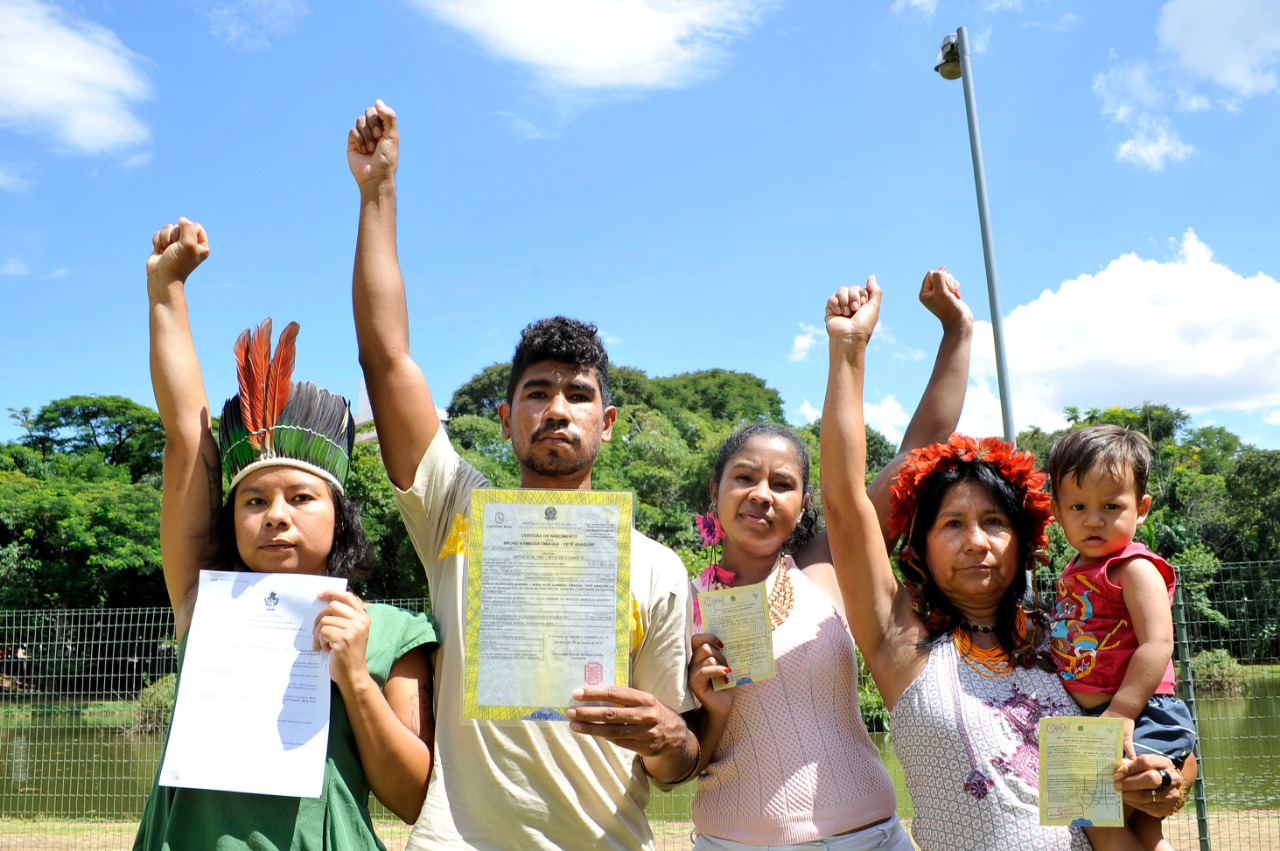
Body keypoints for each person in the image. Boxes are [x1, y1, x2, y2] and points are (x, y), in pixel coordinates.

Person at [347, 100, 697, 850]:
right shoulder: (457, 509)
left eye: (579, 395)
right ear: (506, 418)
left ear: (608, 421)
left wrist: (670, 735)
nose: (557, 409)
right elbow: (386, 359)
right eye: (537, 393)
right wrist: (378, 193)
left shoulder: (659, 567)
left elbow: (673, 766)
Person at [818, 277, 1193, 851]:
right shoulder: (901, 640)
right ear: (920, 543)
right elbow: (846, 504)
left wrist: (1165, 783)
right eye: (952, 524)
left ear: (1024, 539)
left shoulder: (1062, 638)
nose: (976, 542)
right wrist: (848, 349)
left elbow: (1161, 729)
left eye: (994, 522)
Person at [135, 218, 438, 851]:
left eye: (302, 498)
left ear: (340, 515)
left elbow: (413, 798)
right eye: (254, 500)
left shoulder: (391, 632)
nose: (276, 515)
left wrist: (355, 676)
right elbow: (187, 439)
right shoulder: (204, 606)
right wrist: (167, 292)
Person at [685, 269, 972, 850]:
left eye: (782, 484)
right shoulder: (676, 596)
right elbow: (679, 758)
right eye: (744, 478)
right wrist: (709, 705)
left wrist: (955, 332)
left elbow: (923, 446)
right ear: (715, 490)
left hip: (867, 838)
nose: (762, 494)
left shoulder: (828, 565)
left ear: (804, 504)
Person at [1048, 425, 1198, 851]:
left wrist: (1122, 712)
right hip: (1107, 718)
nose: (1094, 519)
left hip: (1141, 714)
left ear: (1142, 508)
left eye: (1111, 506)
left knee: (1097, 820)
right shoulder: (1076, 569)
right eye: (1078, 506)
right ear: (1057, 511)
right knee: (1146, 834)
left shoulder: (1135, 568)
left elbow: (1157, 644)